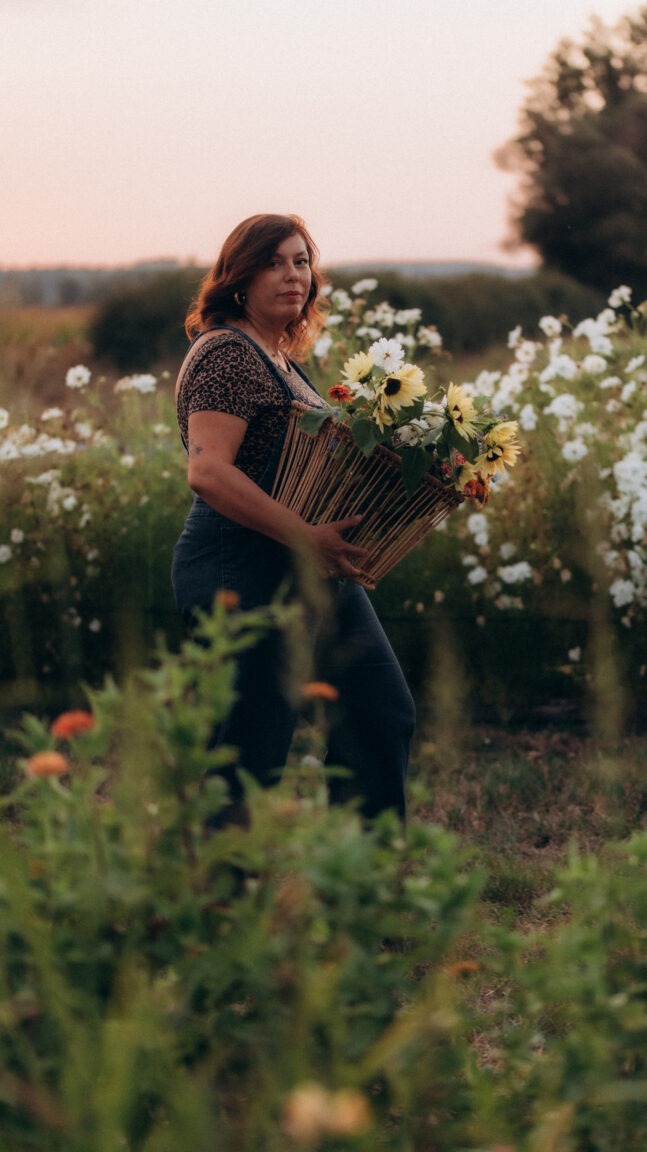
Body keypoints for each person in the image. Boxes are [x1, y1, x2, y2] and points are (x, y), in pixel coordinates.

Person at [171, 213, 414, 824]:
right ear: (238, 276)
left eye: (301, 261)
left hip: (310, 565)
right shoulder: (228, 353)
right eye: (274, 262)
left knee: (379, 711)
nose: (292, 275)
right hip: (240, 565)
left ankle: (360, 893)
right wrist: (306, 536)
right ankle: (217, 907)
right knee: (251, 751)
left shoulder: (280, 358)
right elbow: (208, 471)